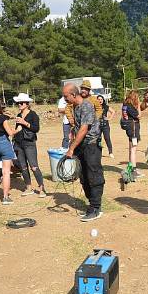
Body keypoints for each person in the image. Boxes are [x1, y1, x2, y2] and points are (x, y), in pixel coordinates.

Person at [64, 82, 105, 222]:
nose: (65, 100)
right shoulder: (75, 106)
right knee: (84, 176)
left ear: (73, 94)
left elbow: (84, 129)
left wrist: (71, 148)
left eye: (66, 97)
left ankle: (96, 208)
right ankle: (91, 205)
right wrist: (72, 135)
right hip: (81, 145)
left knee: (93, 175)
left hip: (91, 145)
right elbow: (77, 127)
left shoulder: (87, 106)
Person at [12, 93, 46, 198]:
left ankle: (42, 188)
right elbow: (18, 129)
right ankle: (28, 187)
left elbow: (36, 129)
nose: (19, 105)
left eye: (21, 103)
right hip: (19, 143)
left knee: (34, 166)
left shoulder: (33, 115)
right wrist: (11, 133)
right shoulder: (18, 115)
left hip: (29, 143)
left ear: (27, 104)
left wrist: (24, 122)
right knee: (23, 167)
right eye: (18, 103)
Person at [121, 90, 142, 178]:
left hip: (129, 128)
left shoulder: (125, 105)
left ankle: (131, 167)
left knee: (131, 149)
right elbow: (139, 115)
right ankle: (133, 169)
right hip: (133, 128)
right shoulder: (130, 106)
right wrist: (139, 106)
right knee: (133, 150)